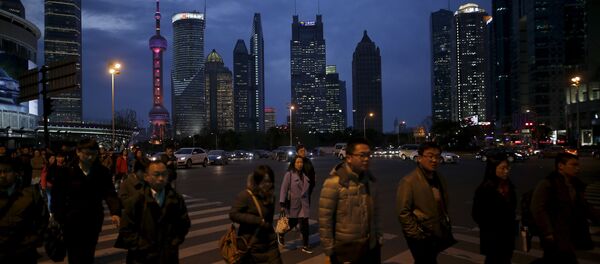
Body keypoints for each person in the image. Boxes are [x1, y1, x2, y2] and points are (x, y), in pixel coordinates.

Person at [50, 138, 122, 263]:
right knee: (74, 254)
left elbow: (110, 193)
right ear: (78, 152)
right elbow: (57, 196)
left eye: (93, 154)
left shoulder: (102, 172)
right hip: (71, 220)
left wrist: (115, 212)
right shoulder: (66, 171)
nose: (90, 158)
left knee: (89, 252)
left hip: (93, 219)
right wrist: (57, 215)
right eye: (87, 154)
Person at [319, 138, 382, 264]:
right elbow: (325, 220)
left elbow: (376, 213)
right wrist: (328, 252)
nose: (366, 159)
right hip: (346, 250)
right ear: (348, 158)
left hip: (370, 247)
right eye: (362, 155)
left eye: (368, 155)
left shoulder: (370, 181)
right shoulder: (334, 183)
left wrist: (379, 238)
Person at [115, 161, 191, 264]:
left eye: (164, 174)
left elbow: (184, 224)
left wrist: (173, 243)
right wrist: (140, 246)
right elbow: (126, 229)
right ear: (146, 177)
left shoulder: (176, 199)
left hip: (167, 256)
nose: (161, 178)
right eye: (156, 175)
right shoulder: (137, 200)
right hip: (141, 257)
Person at [531, 153, 600, 264]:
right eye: (573, 165)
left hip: (569, 232)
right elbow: (537, 208)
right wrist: (548, 232)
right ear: (560, 166)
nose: (577, 168)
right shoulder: (548, 184)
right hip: (555, 234)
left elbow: (584, 207)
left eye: (578, 165)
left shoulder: (575, 185)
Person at [396, 142, 452, 264]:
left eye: (437, 156)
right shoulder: (408, 181)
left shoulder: (439, 178)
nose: (434, 160)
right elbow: (403, 212)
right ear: (420, 158)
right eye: (430, 156)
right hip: (420, 234)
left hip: (436, 231)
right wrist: (416, 234)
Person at [229, 165, 283, 263]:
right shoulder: (246, 196)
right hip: (252, 245)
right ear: (257, 181)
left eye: (270, 181)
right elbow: (233, 214)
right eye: (265, 181)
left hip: (270, 243)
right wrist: (256, 220)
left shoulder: (271, 197)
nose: (268, 184)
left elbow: (268, 220)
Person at [472, 154, 517, 264]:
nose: (506, 171)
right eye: (502, 168)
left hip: (507, 235)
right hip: (493, 237)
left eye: (507, 168)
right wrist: (493, 224)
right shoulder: (485, 189)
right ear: (493, 169)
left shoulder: (509, 186)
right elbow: (477, 214)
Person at [0, 160, 48, 263]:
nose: (2, 175)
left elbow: (42, 220)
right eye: (0, 171)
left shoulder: (30, 194)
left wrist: (31, 241)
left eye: (7, 171)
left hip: (24, 252)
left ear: (16, 173)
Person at [278, 156, 312, 253]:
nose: (300, 164)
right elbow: (284, 189)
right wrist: (282, 204)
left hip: (304, 204)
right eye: (297, 162)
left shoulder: (304, 175)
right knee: (292, 223)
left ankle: (305, 245)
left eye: (301, 162)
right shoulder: (289, 174)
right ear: (294, 163)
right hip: (294, 203)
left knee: (305, 224)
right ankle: (281, 233)